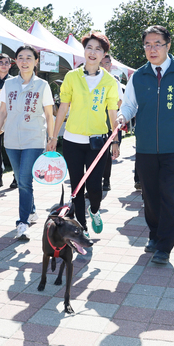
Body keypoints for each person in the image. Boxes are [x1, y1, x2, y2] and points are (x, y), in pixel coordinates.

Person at [117, 25, 174, 265]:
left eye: (157, 43)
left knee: (170, 194)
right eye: (147, 44)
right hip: (145, 147)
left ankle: (165, 245)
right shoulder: (139, 75)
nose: (152, 49)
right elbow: (129, 105)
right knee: (150, 196)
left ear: (168, 45)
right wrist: (122, 116)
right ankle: (154, 234)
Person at [47, 32, 120, 235]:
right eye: (89, 48)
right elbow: (63, 108)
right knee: (77, 188)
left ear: (104, 54)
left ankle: (94, 210)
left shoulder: (110, 82)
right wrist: (54, 137)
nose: (93, 52)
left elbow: (112, 112)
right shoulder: (72, 77)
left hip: (98, 142)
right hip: (72, 141)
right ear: (84, 51)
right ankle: (82, 227)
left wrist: (115, 140)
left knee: (95, 187)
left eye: (98, 49)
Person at [0, 45, 55, 241]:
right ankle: (32, 211)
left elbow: (49, 115)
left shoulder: (43, 85)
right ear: (16, 61)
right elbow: (2, 111)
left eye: (28, 57)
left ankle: (23, 222)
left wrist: (52, 138)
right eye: (20, 57)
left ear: (36, 62)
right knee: (21, 178)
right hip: (11, 140)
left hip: (34, 139)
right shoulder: (8, 85)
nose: (24, 61)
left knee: (24, 181)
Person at [99, 54, 124, 192]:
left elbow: (120, 102)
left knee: (107, 153)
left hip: (109, 121)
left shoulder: (114, 81)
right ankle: (94, 180)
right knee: (95, 152)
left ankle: (106, 180)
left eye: (106, 63)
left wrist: (108, 106)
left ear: (110, 65)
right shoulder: (92, 79)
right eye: (101, 63)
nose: (104, 66)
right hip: (94, 122)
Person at [0, 53, 15, 190]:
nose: (4, 65)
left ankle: (16, 178)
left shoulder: (13, 81)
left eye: (6, 62)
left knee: (12, 148)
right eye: (1, 62)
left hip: (11, 118)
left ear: (10, 65)